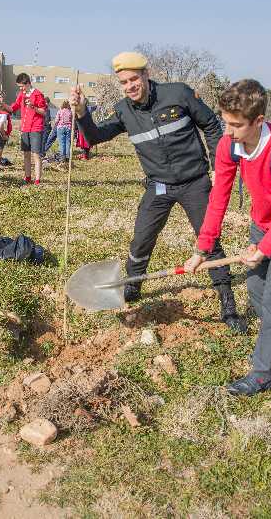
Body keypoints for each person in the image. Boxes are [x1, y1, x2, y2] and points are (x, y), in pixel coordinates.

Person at [70, 51, 246, 334]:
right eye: (124, 82)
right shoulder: (124, 111)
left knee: (209, 242)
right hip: (159, 186)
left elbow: (212, 125)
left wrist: (217, 164)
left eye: (134, 79)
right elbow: (94, 136)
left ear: (146, 75)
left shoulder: (179, 94)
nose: (130, 86)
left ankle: (228, 306)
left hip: (195, 182)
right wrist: (81, 112)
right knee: (140, 241)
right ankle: (133, 287)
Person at [185, 79, 271, 396]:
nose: (227, 131)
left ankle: (261, 374)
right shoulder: (228, 145)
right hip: (261, 222)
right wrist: (204, 247)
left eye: (236, 125)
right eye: (224, 122)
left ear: (258, 121)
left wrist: (267, 247)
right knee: (256, 290)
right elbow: (219, 197)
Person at [0, 73, 47, 185]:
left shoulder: (38, 94)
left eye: (22, 86)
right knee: (26, 154)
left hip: (35, 128)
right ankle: (28, 177)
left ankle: (37, 180)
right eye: (19, 87)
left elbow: (43, 112)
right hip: (25, 128)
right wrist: (3, 104)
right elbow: (12, 108)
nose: (21, 89)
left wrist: (33, 107)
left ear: (28, 83)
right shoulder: (21, 95)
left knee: (36, 154)